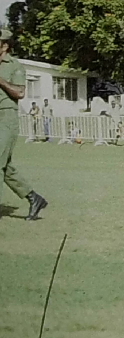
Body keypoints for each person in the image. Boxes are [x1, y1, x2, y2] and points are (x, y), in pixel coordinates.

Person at [0, 29, 47, 220]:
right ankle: (34, 198)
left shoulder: (14, 66)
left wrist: (1, 81)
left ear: (4, 45)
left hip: (6, 117)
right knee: (5, 165)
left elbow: (20, 93)